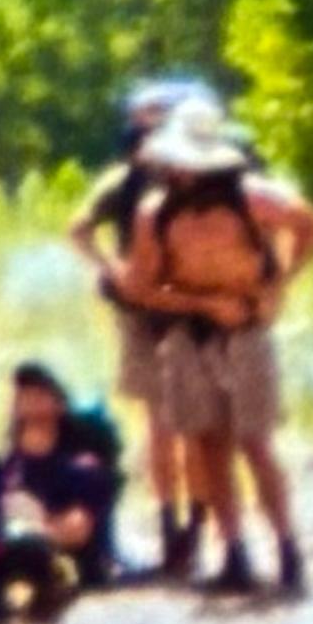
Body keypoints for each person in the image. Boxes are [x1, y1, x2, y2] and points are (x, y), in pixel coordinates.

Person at [122, 100, 313, 598]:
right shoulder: (156, 213)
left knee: (256, 443)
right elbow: (139, 287)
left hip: (248, 330)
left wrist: (280, 282)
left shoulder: (252, 198)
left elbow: (310, 225)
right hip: (190, 333)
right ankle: (232, 549)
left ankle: (287, 546)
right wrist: (203, 303)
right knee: (208, 444)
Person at [68, 80, 213, 580]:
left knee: (178, 424)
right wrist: (113, 270)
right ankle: (179, 524)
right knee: (166, 425)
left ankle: (186, 524)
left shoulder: (138, 179)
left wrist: (111, 271)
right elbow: (79, 227)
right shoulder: (132, 182)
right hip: (152, 310)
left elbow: (79, 228)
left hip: (169, 309)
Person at [2, 362, 121, 596]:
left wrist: (30, 529)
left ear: (59, 404)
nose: (29, 402)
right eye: (23, 396)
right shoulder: (7, 469)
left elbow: (77, 531)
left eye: (39, 395)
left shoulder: (81, 468)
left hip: (70, 570)